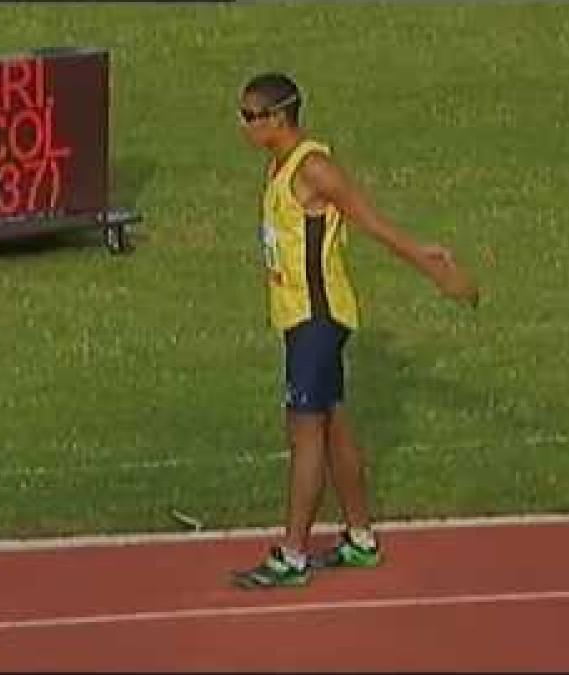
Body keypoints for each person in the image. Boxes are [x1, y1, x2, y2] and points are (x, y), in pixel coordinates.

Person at [233, 73, 478, 588]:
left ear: (279, 117)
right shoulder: (281, 167)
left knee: (304, 434)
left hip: (316, 320)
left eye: (251, 116)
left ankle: (293, 554)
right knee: (335, 422)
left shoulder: (314, 168)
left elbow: (371, 221)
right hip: (300, 318)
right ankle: (361, 537)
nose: (244, 126)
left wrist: (431, 264)